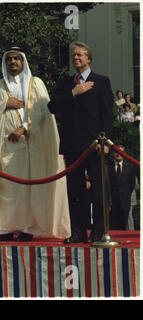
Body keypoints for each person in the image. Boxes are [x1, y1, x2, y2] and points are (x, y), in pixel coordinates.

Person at [0, 46, 70, 242]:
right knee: (6, 189)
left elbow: (44, 112)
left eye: (16, 59)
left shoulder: (36, 84)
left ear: (23, 62)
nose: (12, 62)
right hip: (5, 149)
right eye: (9, 59)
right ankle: (3, 229)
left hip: (31, 147)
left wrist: (26, 128)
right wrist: (4, 104)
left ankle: (29, 228)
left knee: (30, 189)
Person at [48, 41, 114, 243]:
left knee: (98, 190)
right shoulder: (66, 83)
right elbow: (52, 106)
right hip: (72, 145)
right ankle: (77, 231)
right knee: (74, 190)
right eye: (73, 56)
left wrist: (105, 141)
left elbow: (107, 114)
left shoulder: (101, 82)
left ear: (89, 58)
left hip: (95, 144)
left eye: (80, 55)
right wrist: (74, 93)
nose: (76, 58)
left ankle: (99, 231)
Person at [108, 146, 137, 230]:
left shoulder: (130, 167)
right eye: (116, 152)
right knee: (113, 224)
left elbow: (132, 183)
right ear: (113, 154)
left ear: (124, 154)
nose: (118, 154)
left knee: (124, 224)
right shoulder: (108, 166)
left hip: (125, 200)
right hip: (112, 201)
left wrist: (126, 193)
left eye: (120, 152)